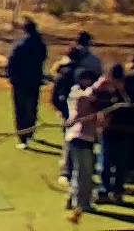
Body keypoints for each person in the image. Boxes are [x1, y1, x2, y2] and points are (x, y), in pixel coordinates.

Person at [93, 64, 132, 204]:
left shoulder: (126, 92)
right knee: (106, 164)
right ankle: (105, 190)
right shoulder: (104, 92)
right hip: (108, 132)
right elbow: (95, 103)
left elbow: (130, 108)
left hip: (121, 132)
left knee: (119, 164)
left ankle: (117, 192)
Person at [6, 18, 47, 149]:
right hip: (34, 80)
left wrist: (11, 77)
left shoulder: (20, 45)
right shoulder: (40, 44)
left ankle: (22, 137)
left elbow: (12, 62)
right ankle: (30, 132)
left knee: (20, 109)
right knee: (32, 107)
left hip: (20, 81)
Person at [66, 69, 100, 220]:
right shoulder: (77, 94)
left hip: (84, 137)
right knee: (83, 174)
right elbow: (86, 99)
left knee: (80, 173)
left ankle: (72, 200)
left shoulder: (83, 94)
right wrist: (102, 83)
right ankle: (81, 203)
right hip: (79, 137)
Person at [51, 46, 83, 186]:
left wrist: (61, 110)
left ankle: (67, 171)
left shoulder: (63, 72)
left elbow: (55, 96)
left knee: (69, 141)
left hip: (68, 112)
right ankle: (73, 170)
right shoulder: (82, 73)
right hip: (82, 112)